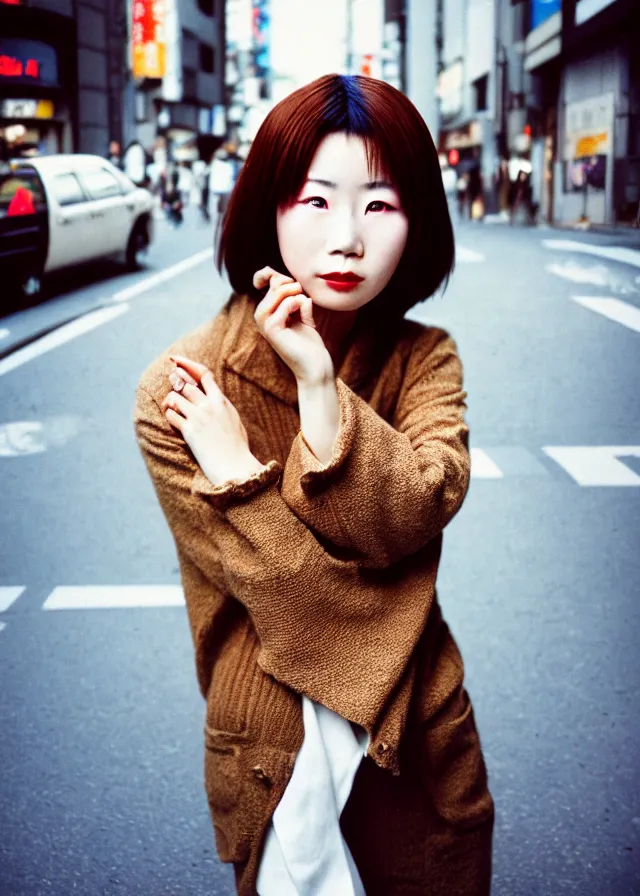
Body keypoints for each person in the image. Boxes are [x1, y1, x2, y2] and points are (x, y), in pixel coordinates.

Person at [134, 73, 494, 896]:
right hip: (272, 755)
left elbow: (416, 509)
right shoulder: (182, 392)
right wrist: (389, 597)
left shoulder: (423, 358)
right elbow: (300, 598)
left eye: (379, 204)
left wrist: (317, 394)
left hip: (422, 748)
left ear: (419, 222)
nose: (348, 239)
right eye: (316, 201)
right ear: (269, 208)